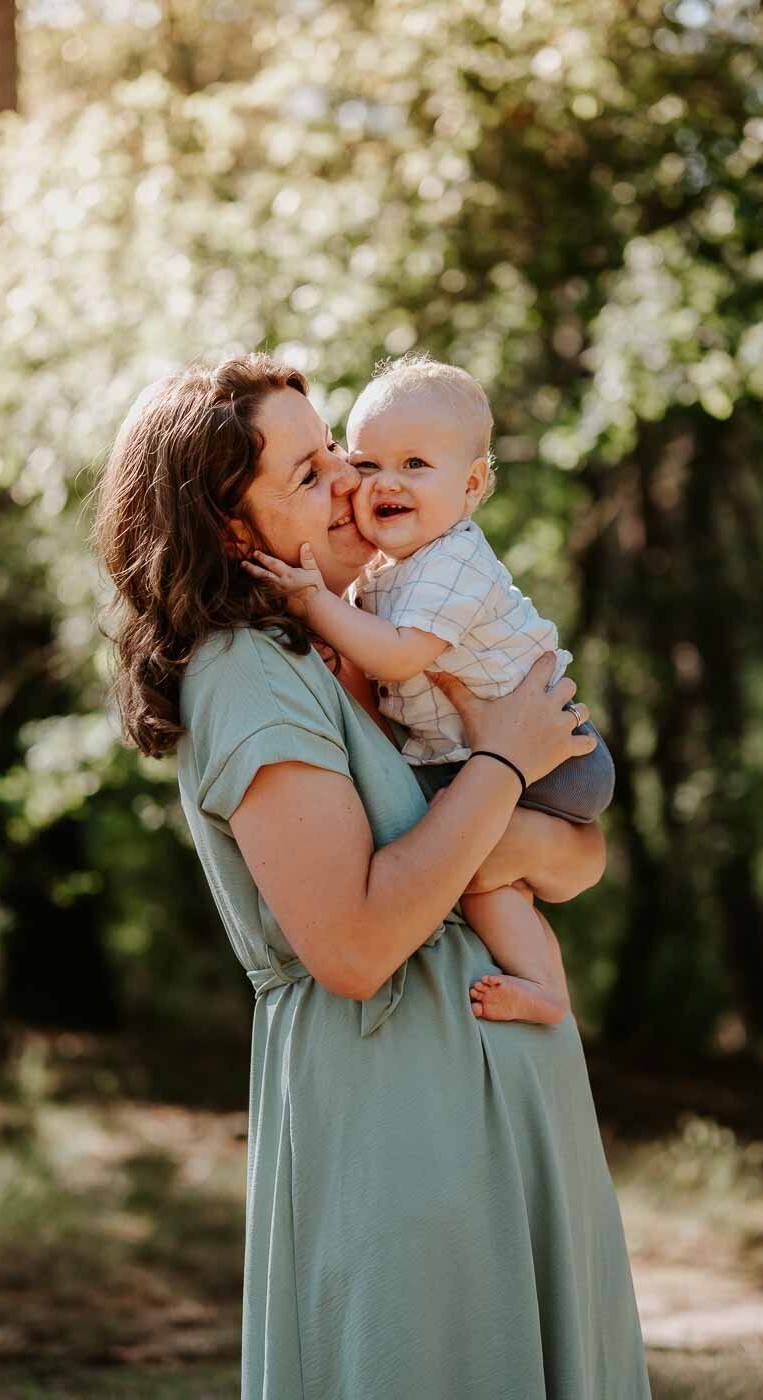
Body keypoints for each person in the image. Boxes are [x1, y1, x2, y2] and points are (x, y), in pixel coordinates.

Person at [93, 351, 653, 1400]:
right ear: (228, 528)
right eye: (309, 474)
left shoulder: (376, 635)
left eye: (341, 454)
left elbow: (577, 855)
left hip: (509, 1097)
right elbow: (352, 947)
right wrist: (502, 765)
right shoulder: (251, 674)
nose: (354, 482)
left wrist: (511, 804)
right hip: (399, 1120)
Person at [243, 353, 615, 1028]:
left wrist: (312, 604)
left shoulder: (448, 566)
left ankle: (547, 987)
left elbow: (400, 654)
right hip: (500, 757)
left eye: (415, 465)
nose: (379, 482)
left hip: (553, 761)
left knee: (477, 869)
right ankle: (547, 988)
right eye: (365, 462)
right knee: (484, 878)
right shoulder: (382, 581)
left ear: (471, 486)